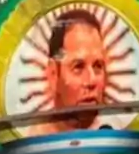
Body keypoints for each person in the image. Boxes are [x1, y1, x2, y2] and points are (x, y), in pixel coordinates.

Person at [27, 9, 109, 137]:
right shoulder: (31, 142)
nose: (91, 81)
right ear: (53, 74)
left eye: (98, 66)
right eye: (78, 67)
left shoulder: (118, 135)